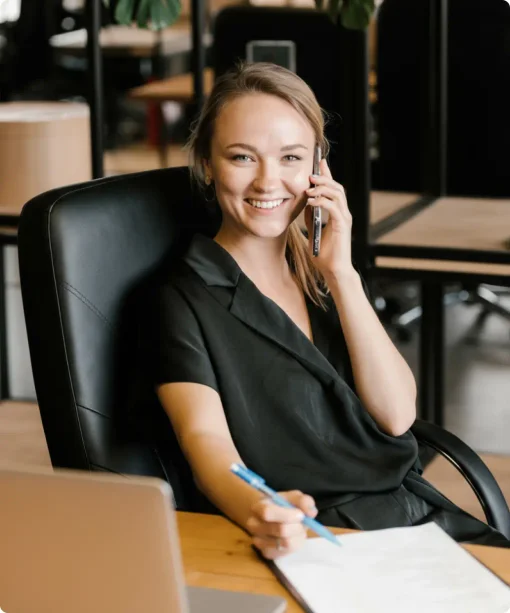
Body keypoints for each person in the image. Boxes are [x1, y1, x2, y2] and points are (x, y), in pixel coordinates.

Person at [151, 62, 510, 558]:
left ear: (318, 168)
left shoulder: (321, 272)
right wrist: (262, 509)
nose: (267, 181)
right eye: (242, 157)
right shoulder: (182, 297)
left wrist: (343, 275)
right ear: (208, 165)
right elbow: (206, 442)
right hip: (327, 535)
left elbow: (397, 415)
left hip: (415, 516)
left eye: (291, 158)